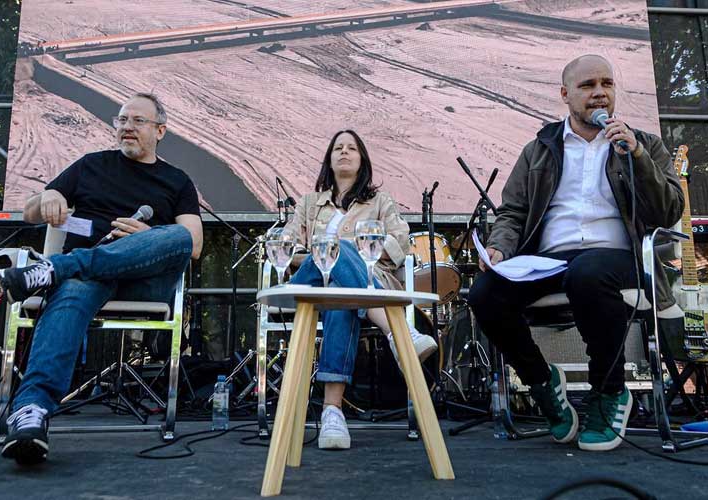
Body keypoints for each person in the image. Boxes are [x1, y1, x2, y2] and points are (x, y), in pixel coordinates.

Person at [468, 55, 683, 451]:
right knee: (484, 293)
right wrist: (499, 247)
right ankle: (542, 381)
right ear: (566, 94)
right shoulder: (540, 148)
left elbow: (668, 212)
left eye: (607, 84)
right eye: (587, 86)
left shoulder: (644, 144)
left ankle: (609, 391)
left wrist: (635, 156)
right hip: (551, 259)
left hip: (620, 259)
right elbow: (513, 211)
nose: (599, 93)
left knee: (587, 272)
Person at [0, 93, 203, 465]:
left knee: (177, 236)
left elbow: (193, 244)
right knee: (76, 286)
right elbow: (29, 213)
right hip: (88, 281)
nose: (127, 127)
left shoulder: (177, 180)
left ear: (160, 130)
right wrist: (46, 199)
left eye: (138, 121)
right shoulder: (90, 165)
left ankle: (54, 269)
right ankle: (30, 412)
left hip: (145, 281)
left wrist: (146, 236)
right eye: (122, 119)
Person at [283, 129, 437, 450]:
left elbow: (402, 241)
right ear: (329, 158)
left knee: (343, 298)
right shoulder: (310, 204)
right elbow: (289, 245)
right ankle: (400, 333)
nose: (344, 152)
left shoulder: (380, 202)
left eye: (351, 148)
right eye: (337, 147)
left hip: (357, 286)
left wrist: (361, 250)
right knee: (336, 250)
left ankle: (332, 413)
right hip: (312, 282)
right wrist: (327, 251)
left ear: (362, 159)